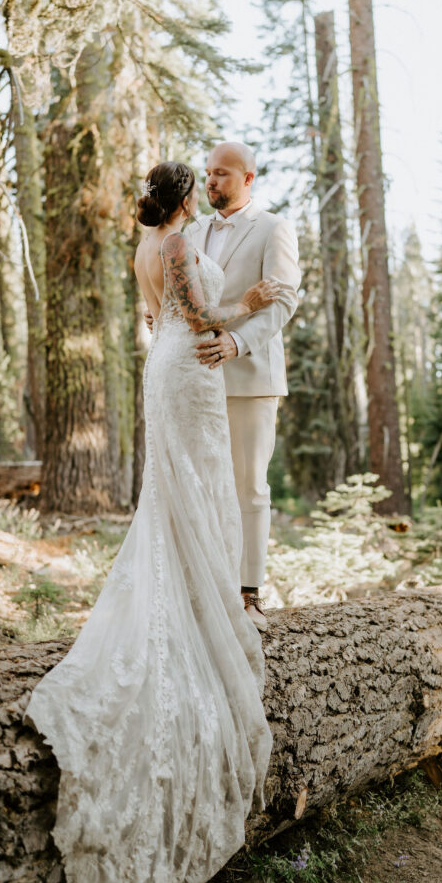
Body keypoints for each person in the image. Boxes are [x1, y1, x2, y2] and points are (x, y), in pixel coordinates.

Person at [22, 161, 275, 883]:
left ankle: (198, 590)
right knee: (193, 486)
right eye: (198, 186)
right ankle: (202, 599)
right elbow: (196, 316)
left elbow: (159, 316)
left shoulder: (146, 248)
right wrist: (245, 310)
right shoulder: (174, 245)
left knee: (182, 489)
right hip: (188, 370)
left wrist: (224, 314)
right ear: (186, 198)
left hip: (166, 368)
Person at [186, 142, 301, 630]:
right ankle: (209, 591)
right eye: (208, 173)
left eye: (222, 174)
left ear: (248, 178)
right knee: (201, 485)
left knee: (249, 486)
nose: (211, 181)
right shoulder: (192, 230)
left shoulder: (273, 228)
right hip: (195, 378)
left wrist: (237, 342)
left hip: (250, 377)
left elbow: (283, 301)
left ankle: (249, 594)